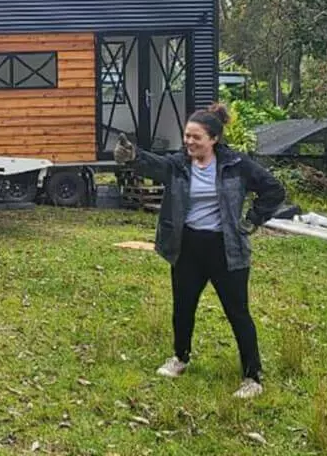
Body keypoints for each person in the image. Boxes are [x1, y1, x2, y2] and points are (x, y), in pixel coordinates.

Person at [114, 103, 285, 399]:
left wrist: (254, 219)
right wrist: (133, 156)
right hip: (188, 245)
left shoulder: (237, 165)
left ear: (214, 138)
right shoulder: (179, 164)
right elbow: (153, 163)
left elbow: (274, 189)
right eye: (187, 136)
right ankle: (180, 358)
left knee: (238, 312)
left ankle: (252, 377)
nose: (189, 142)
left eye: (196, 137)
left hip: (226, 248)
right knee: (183, 306)